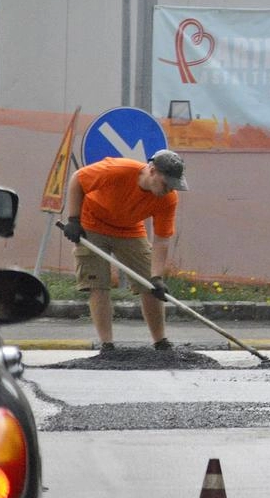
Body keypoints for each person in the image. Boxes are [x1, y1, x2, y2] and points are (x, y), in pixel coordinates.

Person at [61, 149, 189, 352]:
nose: (168, 190)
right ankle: (107, 345)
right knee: (98, 284)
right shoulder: (118, 171)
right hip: (92, 223)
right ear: (152, 171)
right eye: (166, 184)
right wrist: (73, 220)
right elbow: (78, 179)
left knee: (149, 284)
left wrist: (156, 277)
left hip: (130, 229)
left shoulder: (168, 199)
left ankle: (161, 342)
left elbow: (162, 240)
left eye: (173, 186)